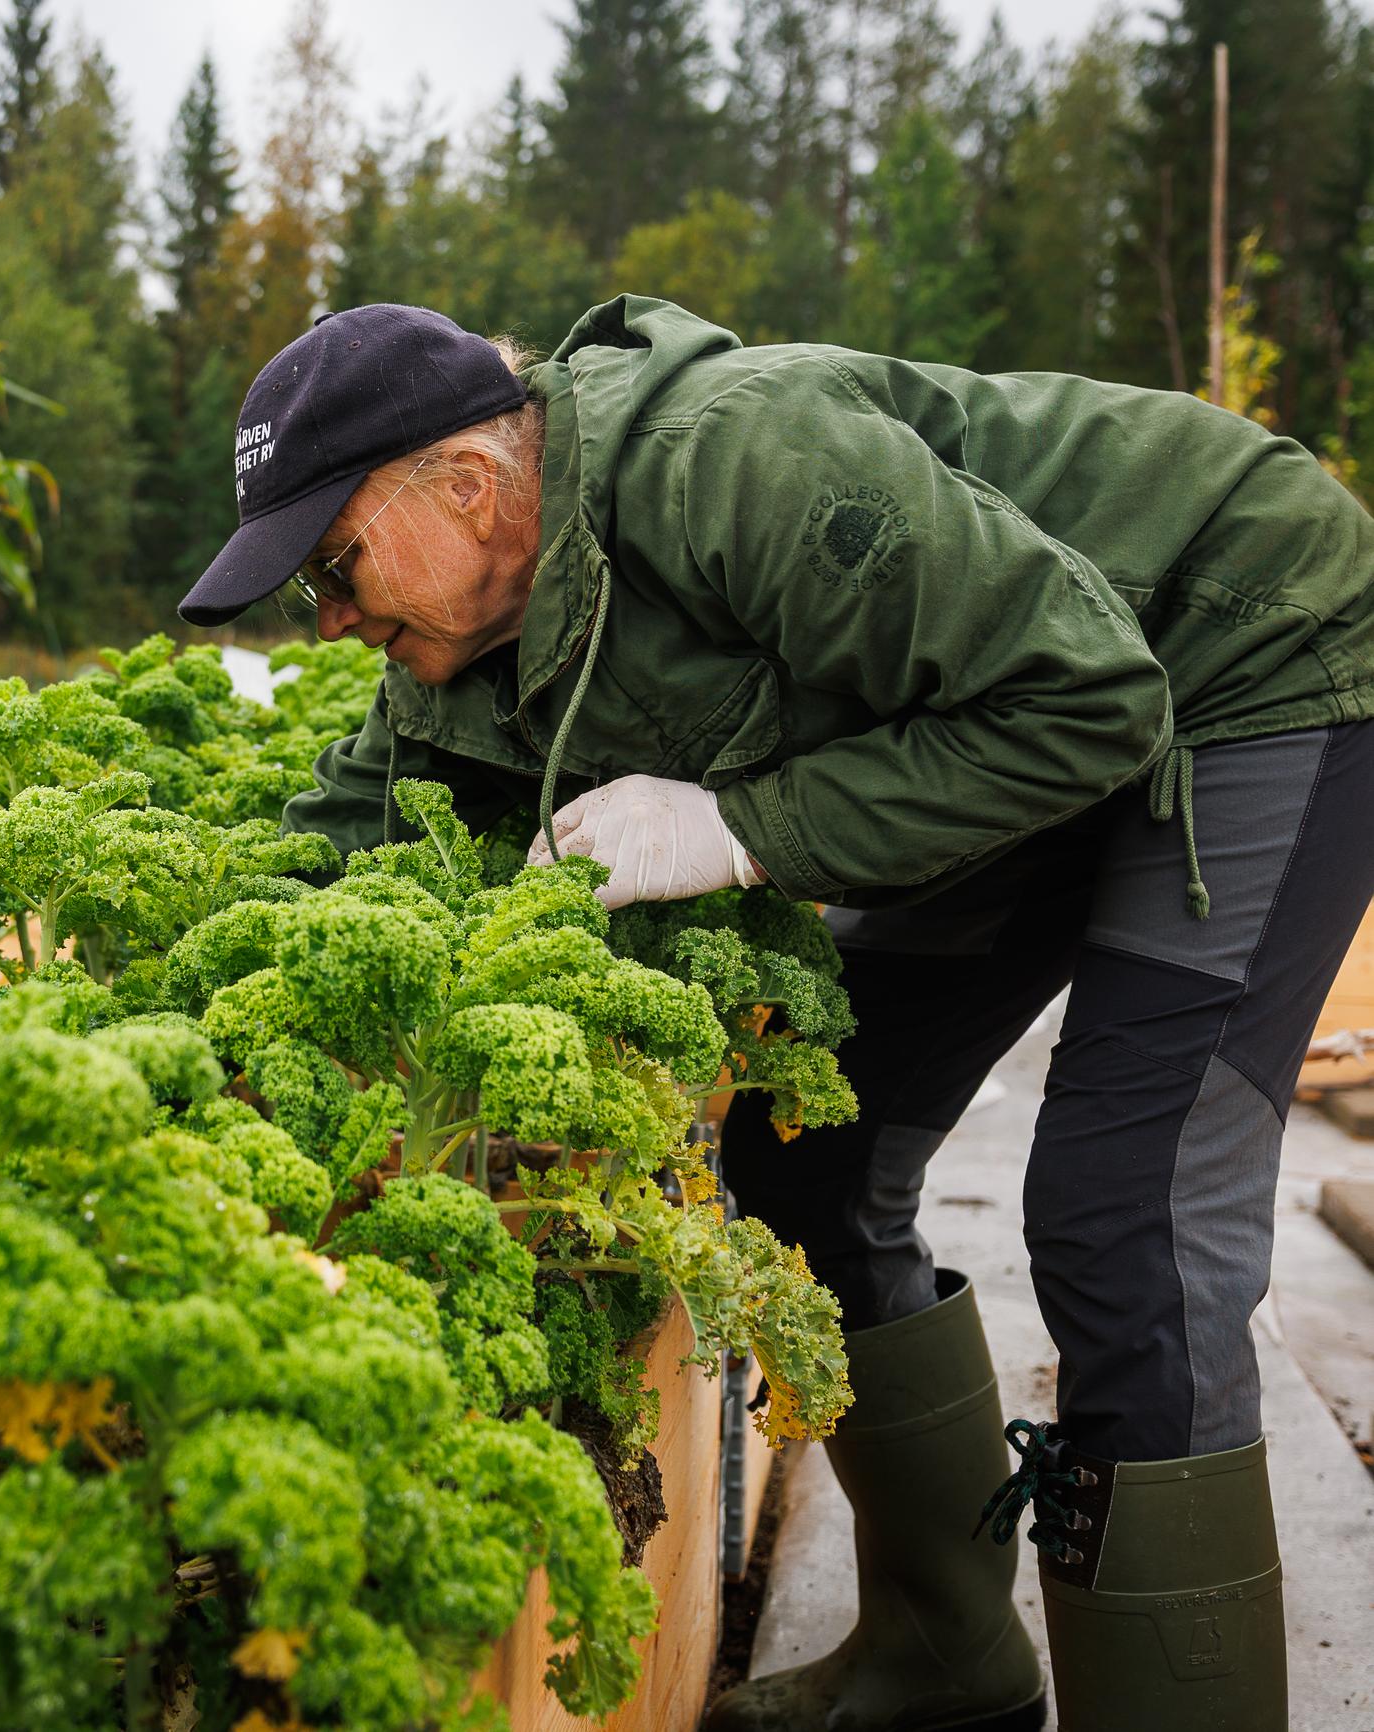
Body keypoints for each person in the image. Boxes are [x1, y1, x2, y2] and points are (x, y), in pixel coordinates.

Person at [178, 299, 1374, 1732]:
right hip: (1003, 719)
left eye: (335, 563)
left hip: (1239, 652)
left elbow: (1087, 703)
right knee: (817, 1154)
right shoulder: (456, 647)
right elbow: (332, 841)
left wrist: (739, 830)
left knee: (1129, 1207)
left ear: (471, 487)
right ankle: (946, 1652)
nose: (329, 616)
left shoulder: (733, 466)